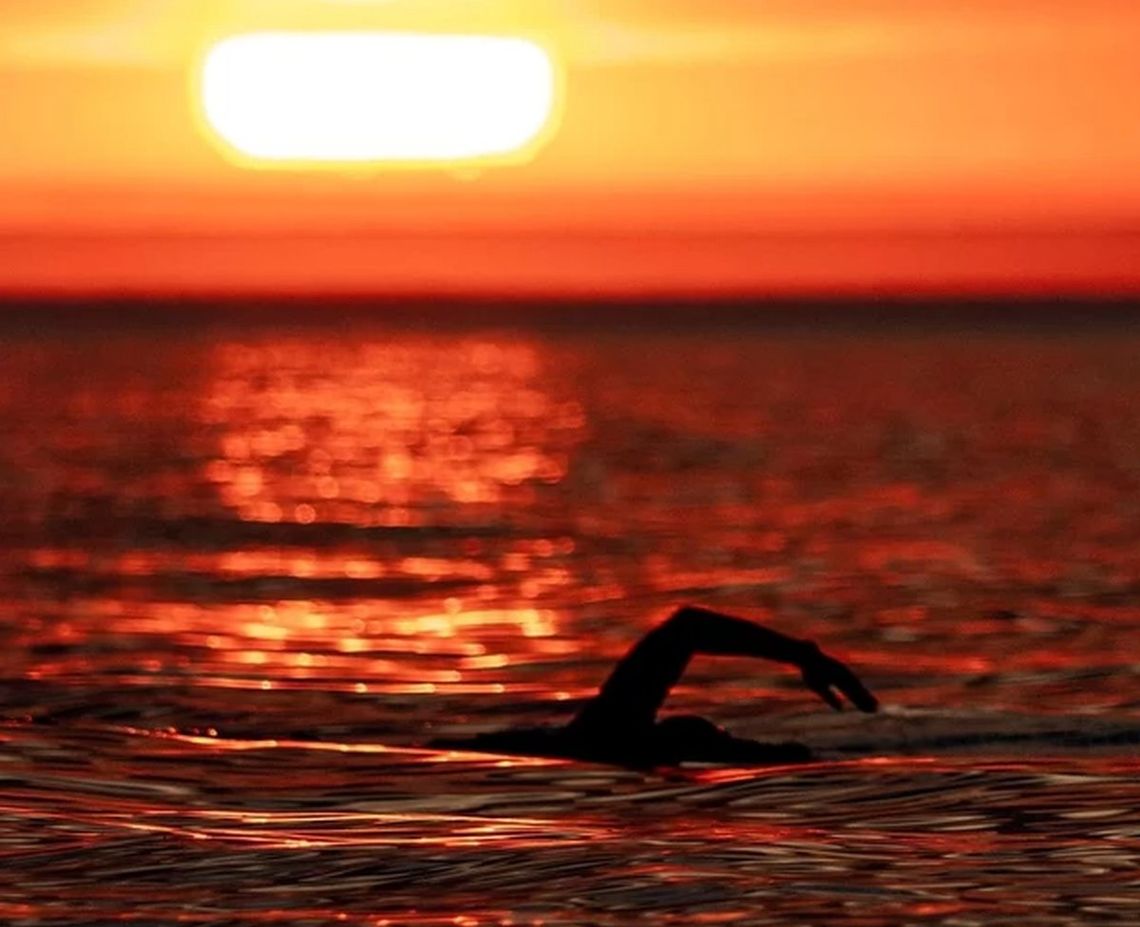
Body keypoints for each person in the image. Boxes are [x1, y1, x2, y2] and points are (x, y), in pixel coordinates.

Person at [431, 604, 879, 767]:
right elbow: (687, 626)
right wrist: (803, 654)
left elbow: (686, 628)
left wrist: (803, 655)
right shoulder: (609, 734)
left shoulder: (597, 737)